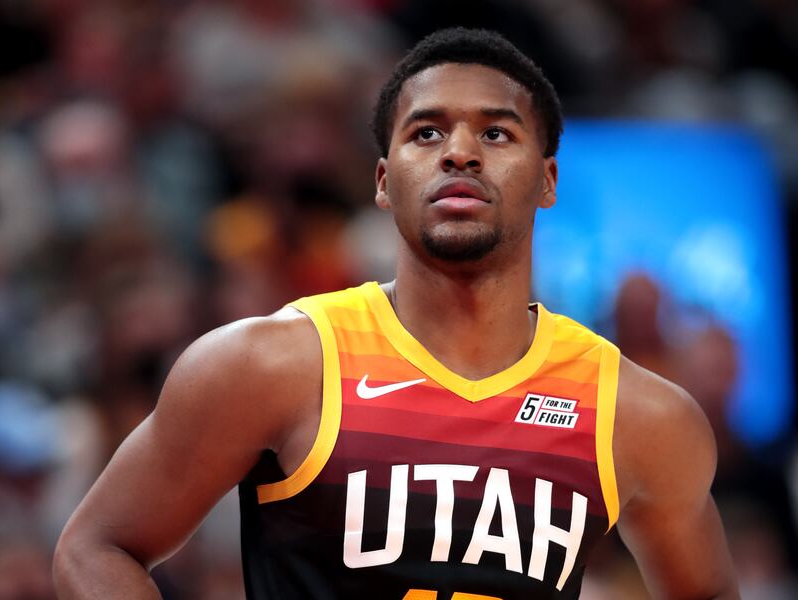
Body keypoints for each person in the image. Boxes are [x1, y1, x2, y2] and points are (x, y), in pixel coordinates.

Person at [53, 28, 739, 599]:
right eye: (426, 133)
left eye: (497, 134)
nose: (460, 151)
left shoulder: (638, 415)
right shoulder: (271, 364)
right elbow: (97, 546)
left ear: (548, 180)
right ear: (384, 181)